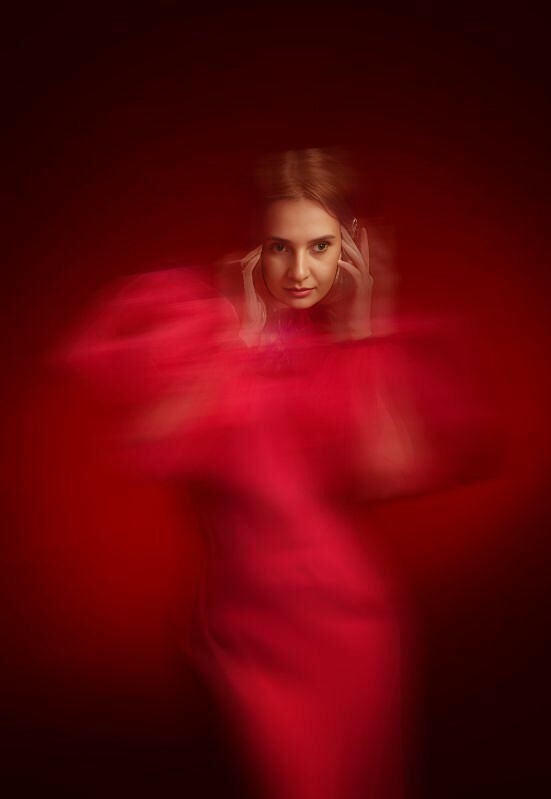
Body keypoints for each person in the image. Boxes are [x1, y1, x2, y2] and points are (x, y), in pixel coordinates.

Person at [60, 148, 495, 798]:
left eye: (320, 246)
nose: (298, 270)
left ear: (351, 249)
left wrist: (366, 325)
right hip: (242, 634)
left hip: (353, 627)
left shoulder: (354, 354)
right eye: (279, 247)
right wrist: (239, 340)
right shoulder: (203, 340)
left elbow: (391, 472)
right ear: (253, 249)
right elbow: (154, 448)